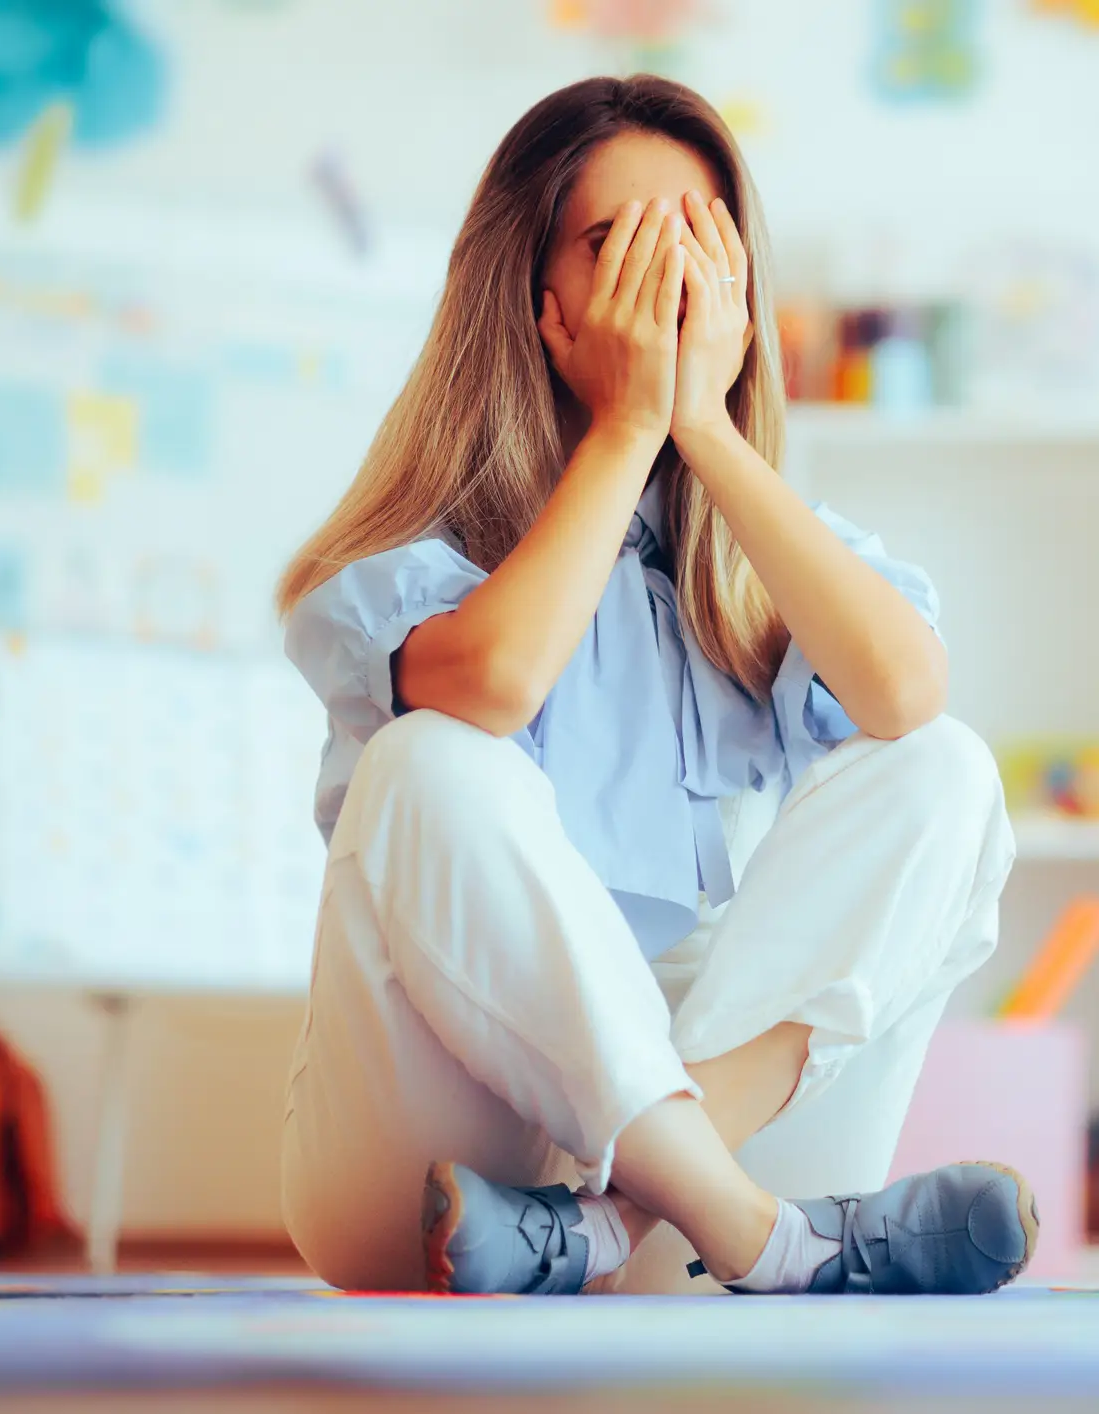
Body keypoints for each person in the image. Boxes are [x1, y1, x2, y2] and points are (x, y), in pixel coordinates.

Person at [274, 74, 1030, 1298]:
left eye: (700, 239)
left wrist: (709, 437)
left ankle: (619, 1220)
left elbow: (904, 694)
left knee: (946, 764)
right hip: (436, 1171)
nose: (668, 276)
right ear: (536, 295)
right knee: (431, 756)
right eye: (621, 242)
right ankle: (770, 1243)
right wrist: (627, 430)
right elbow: (498, 682)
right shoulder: (402, 562)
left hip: (706, 1141)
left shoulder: (755, 550)